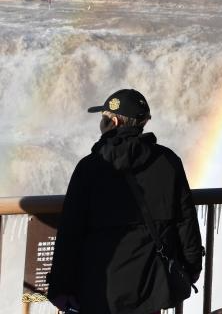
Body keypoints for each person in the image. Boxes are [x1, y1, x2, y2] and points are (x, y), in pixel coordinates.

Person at [47, 88, 204, 314]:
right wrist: (192, 266)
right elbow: (185, 219)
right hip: (151, 287)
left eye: (104, 118)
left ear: (114, 121)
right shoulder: (168, 162)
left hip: (99, 288)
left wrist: (60, 287)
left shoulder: (90, 167)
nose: (101, 123)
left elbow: (71, 231)